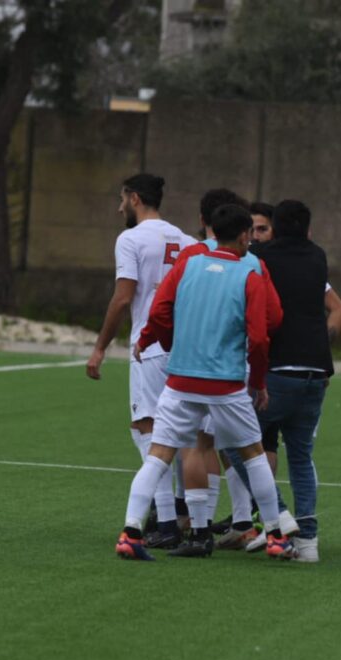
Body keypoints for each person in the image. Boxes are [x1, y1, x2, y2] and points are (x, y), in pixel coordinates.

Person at [116, 203, 292, 560]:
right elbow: (260, 336)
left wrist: (150, 340)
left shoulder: (189, 262)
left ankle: (130, 533)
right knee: (253, 455)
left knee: (158, 456)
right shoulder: (251, 272)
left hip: (180, 380)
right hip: (224, 383)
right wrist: (258, 381)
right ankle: (275, 536)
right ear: (245, 236)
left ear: (210, 229)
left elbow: (161, 309)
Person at [86, 174, 196, 546]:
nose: (119, 208)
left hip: (149, 348)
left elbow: (122, 298)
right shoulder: (187, 240)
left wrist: (100, 346)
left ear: (134, 198)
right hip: (184, 349)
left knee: (148, 431)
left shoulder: (130, 239)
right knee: (180, 433)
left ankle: (165, 522)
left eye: (121, 200)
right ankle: (181, 516)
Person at [245, 199, 332, 562]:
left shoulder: (263, 258)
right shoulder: (318, 257)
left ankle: (277, 514)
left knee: (239, 442)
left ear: (275, 228)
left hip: (280, 368)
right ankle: (308, 543)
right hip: (317, 369)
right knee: (300, 455)